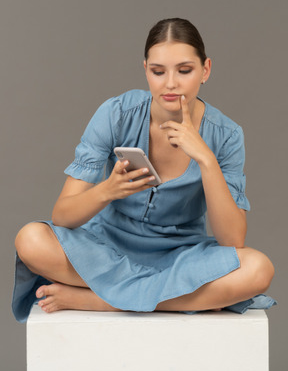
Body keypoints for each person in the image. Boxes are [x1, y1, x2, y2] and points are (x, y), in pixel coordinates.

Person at [12, 18, 276, 322]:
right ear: (146, 69)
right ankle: (171, 298)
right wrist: (107, 191)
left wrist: (206, 159)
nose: (171, 83)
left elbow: (232, 240)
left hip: (181, 257)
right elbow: (62, 216)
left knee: (258, 269)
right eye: (158, 71)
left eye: (185, 70)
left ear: (206, 70)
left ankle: (103, 301)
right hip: (107, 249)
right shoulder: (116, 114)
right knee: (30, 239)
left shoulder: (227, 135)